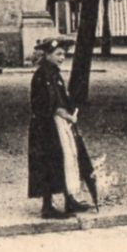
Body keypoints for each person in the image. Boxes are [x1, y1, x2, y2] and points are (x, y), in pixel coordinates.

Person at [28, 38, 97, 219]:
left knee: (68, 158)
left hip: (57, 123)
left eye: (63, 54)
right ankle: (47, 206)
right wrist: (68, 116)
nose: (62, 57)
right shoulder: (43, 75)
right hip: (47, 126)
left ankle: (69, 199)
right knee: (50, 162)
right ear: (48, 55)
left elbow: (61, 99)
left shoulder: (53, 74)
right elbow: (49, 104)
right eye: (58, 54)